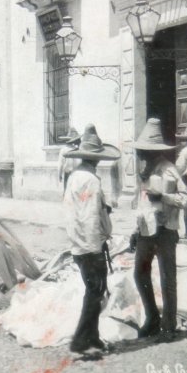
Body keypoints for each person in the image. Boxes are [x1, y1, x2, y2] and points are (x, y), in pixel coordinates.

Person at [129, 118, 187, 343]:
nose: (141, 155)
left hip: (165, 231)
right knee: (140, 273)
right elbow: (141, 205)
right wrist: (135, 232)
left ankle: (168, 326)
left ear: (154, 151)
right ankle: (152, 317)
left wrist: (164, 197)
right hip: (146, 231)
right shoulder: (145, 172)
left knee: (167, 278)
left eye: (145, 151)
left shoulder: (169, 170)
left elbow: (185, 198)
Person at [62, 126, 120, 353]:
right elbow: (90, 217)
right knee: (95, 291)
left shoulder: (75, 177)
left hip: (79, 242)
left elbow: (77, 211)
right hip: (90, 244)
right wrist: (95, 247)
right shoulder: (91, 181)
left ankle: (93, 337)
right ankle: (80, 339)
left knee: (95, 289)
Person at [57, 126, 81, 196]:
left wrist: (59, 175)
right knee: (76, 193)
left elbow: (60, 164)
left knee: (67, 193)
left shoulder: (64, 150)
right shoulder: (78, 149)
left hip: (68, 174)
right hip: (77, 175)